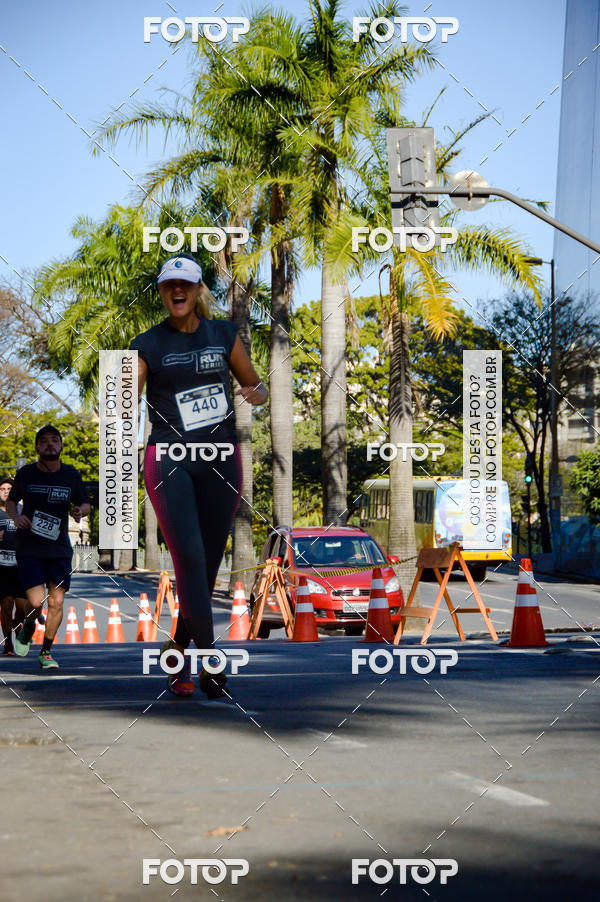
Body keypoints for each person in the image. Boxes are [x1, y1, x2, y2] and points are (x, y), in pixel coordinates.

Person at [130, 254, 267, 697]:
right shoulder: (146, 344)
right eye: (169, 284)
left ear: (198, 289)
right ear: (162, 291)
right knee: (187, 556)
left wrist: (255, 392)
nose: (177, 291)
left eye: (185, 284)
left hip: (220, 457)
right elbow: (124, 398)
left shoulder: (222, 334)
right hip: (169, 457)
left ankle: (177, 651)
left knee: (205, 565)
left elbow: (255, 386)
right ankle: (211, 659)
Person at [6, 426, 90, 669]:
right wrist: (15, 517)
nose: (50, 445)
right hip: (30, 548)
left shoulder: (71, 475)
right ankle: (28, 627)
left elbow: (85, 504)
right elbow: (11, 502)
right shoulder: (26, 474)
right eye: (44, 442)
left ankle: (46, 651)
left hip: (59, 550)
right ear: (37, 447)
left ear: (61, 446)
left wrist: (79, 511)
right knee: (35, 602)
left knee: (56, 603)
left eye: (54, 440)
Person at [0, 477, 27, 655]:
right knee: (7, 605)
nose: (6, 491)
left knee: (23, 606)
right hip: (2, 567)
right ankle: (8, 643)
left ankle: (19, 629)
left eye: (10, 488)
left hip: (22, 566)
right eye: (2, 488)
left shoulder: (23, 511)